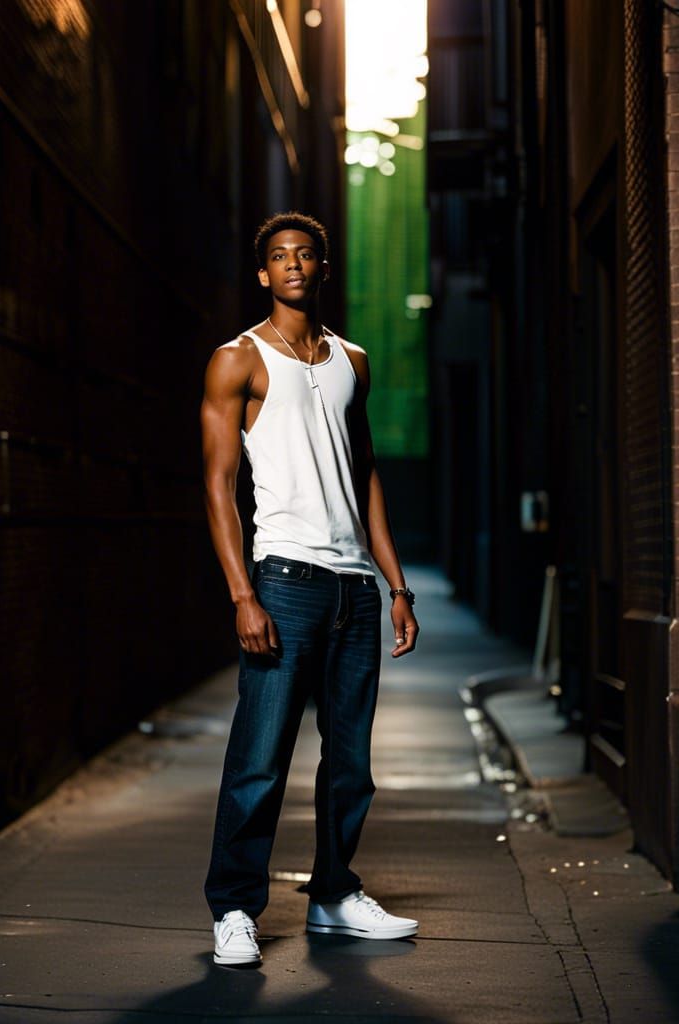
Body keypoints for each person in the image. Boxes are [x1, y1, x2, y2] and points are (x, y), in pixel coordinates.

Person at [200, 212, 420, 967]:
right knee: (260, 757)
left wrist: (396, 584)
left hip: (354, 587)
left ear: (323, 267)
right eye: (279, 256)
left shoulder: (353, 361)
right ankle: (234, 908)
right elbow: (218, 484)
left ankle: (333, 895)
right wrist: (242, 594)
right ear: (264, 273)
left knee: (351, 762)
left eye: (305, 254)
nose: (293, 264)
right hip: (285, 580)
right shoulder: (239, 360)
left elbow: (365, 476)